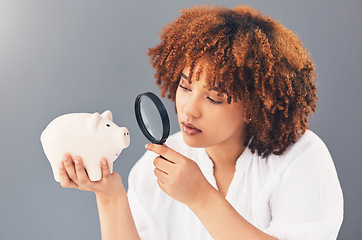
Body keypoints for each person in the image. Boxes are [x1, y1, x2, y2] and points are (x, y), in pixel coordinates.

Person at [58, 5, 344, 240]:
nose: (188, 111)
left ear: (255, 104)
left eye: (215, 98)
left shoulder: (302, 158)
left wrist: (201, 197)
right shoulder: (153, 169)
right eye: (185, 88)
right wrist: (110, 196)